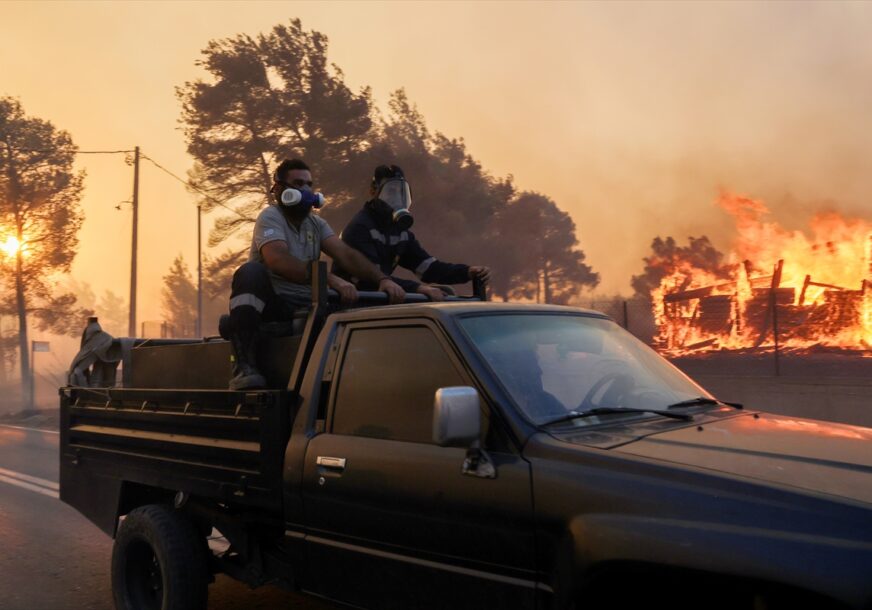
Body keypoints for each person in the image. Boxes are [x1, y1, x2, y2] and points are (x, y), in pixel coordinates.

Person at [227, 158, 406, 390]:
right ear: (281, 189)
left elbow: (346, 255)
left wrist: (383, 279)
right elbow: (277, 259)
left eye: (309, 184)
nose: (306, 190)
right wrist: (328, 279)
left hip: (308, 303)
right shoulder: (270, 217)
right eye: (298, 183)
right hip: (275, 303)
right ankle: (242, 366)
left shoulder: (317, 223)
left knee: (352, 309)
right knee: (249, 272)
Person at [333, 164, 491, 301]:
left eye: (401, 192)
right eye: (391, 192)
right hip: (350, 306)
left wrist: (467, 272)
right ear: (373, 191)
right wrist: (419, 289)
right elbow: (372, 278)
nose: (396, 198)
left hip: (378, 303)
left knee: (443, 296)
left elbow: (428, 268)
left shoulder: (400, 232)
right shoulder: (360, 228)